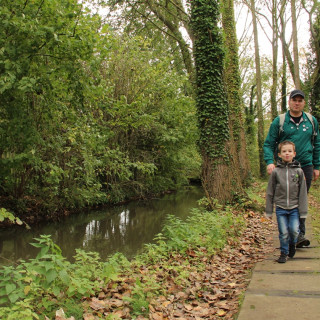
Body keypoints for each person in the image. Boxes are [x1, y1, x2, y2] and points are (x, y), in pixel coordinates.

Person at [263, 89, 320, 247]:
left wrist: (317, 166)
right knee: (285, 198)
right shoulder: (280, 121)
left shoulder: (311, 121)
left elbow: (317, 144)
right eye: (294, 100)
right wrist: (269, 161)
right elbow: (269, 144)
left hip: (305, 166)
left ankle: (299, 233)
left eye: (300, 100)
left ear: (303, 103)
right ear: (289, 102)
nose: (297, 103)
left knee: (301, 198)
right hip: (283, 168)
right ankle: (287, 231)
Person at [265, 141, 308, 263]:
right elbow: (270, 191)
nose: (287, 153)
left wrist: (303, 211)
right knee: (283, 232)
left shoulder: (299, 171)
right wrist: (269, 211)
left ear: (294, 153)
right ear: (279, 154)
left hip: (294, 207)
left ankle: (292, 245)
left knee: (294, 231)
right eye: (284, 151)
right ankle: (284, 253)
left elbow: (303, 192)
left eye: (289, 151)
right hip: (281, 208)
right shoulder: (276, 172)